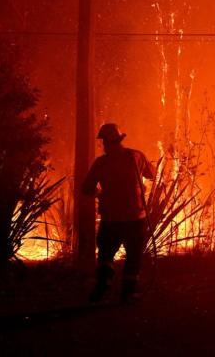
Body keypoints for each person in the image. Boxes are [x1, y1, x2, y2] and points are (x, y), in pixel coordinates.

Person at [81, 123, 155, 302]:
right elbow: (151, 174)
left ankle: (103, 284)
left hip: (111, 218)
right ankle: (128, 292)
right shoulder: (136, 156)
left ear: (107, 142)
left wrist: (100, 193)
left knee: (106, 253)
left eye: (104, 142)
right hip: (135, 217)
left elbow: (87, 188)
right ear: (120, 139)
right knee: (133, 255)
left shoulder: (101, 163)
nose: (103, 146)